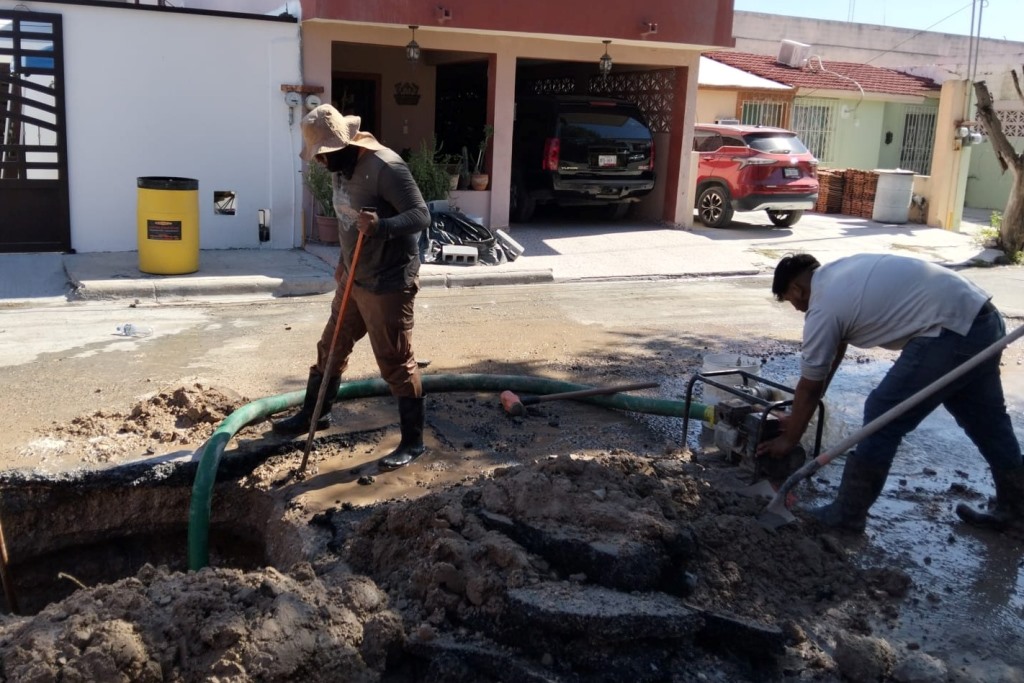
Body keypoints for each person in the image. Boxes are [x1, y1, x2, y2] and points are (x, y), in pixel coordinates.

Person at [757, 253, 1023, 532]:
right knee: (987, 420)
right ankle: (1016, 509)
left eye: (792, 300)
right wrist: (801, 414)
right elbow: (829, 358)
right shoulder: (839, 274)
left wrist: (789, 439)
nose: (798, 308)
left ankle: (847, 515)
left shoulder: (823, 306)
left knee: (882, 414)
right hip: (983, 320)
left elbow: (809, 386)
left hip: (950, 331)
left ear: (797, 289)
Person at [273, 104, 430, 471]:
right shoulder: (340, 168)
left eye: (325, 156)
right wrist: (343, 262)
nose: (320, 163)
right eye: (318, 156)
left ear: (344, 144)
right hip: (354, 276)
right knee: (331, 347)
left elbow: (421, 215)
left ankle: (413, 442)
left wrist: (383, 227)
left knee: (395, 362)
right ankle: (314, 414)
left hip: (388, 281)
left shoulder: (385, 167)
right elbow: (347, 220)